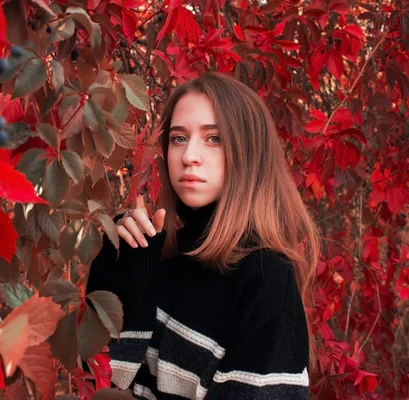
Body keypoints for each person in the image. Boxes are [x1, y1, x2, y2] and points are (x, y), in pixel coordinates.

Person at [86, 72, 321, 399]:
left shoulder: (265, 277)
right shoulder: (159, 253)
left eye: (214, 138)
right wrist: (118, 269)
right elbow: (99, 378)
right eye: (179, 138)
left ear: (247, 151)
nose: (188, 156)